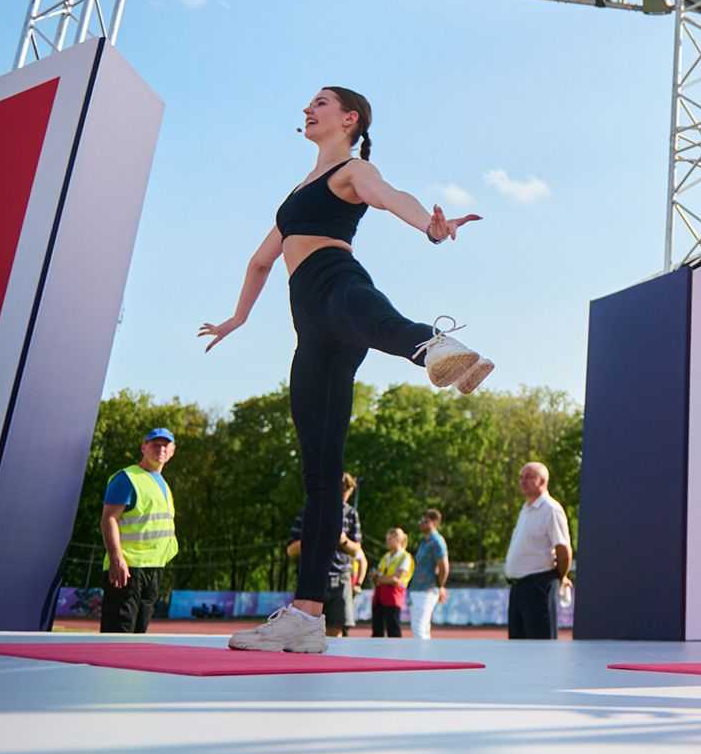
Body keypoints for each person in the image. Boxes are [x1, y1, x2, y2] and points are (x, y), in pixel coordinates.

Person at [203, 86, 494, 654]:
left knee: (371, 317)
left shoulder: (353, 170)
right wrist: (237, 318)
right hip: (310, 333)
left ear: (349, 118)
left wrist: (431, 227)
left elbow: (390, 197)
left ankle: (435, 347)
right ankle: (307, 616)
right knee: (321, 477)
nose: (307, 109)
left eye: (320, 102)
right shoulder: (297, 193)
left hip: (337, 285)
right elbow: (260, 261)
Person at [99, 428, 179, 633]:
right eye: (155, 444)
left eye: (165, 445)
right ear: (144, 448)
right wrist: (116, 559)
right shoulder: (127, 478)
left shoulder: (162, 484)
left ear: (172, 451)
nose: (161, 449)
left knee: (138, 637)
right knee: (118, 635)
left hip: (154, 569)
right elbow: (109, 519)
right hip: (128, 569)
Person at [286, 472, 363, 638]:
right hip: (310, 581)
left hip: (340, 581)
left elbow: (357, 550)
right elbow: (291, 550)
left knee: (336, 635)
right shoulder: (308, 511)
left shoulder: (351, 513)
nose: (343, 494)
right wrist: (313, 538)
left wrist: (343, 540)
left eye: (347, 490)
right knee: (305, 633)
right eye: (340, 489)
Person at [503, 461, 573, 640]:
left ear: (543, 481)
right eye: (521, 477)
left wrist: (561, 576)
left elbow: (563, 549)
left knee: (541, 646)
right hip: (518, 587)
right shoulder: (526, 509)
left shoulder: (551, 509)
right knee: (518, 647)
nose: (523, 481)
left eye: (529, 477)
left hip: (538, 585)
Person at [409, 508, 449, 639]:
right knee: (422, 628)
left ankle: (421, 652)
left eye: (425, 521)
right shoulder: (424, 541)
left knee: (419, 628)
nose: (421, 523)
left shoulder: (437, 541)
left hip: (427, 589)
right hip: (418, 589)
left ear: (434, 522)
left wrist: (440, 586)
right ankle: (425, 652)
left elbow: (444, 566)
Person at [372, 528, 414, 638]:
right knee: (377, 629)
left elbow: (396, 578)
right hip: (379, 596)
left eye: (390, 539)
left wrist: (380, 578)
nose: (387, 541)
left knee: (393, 629)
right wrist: (383, 578)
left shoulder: (405, 557)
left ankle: (395, 649)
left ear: (398, 539)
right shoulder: (386, 556)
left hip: (394, 596)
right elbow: (376, 576)